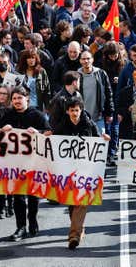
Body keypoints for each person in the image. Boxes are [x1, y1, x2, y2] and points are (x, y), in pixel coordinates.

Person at [54, 98, 110, 249]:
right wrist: (46, 136)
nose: (74, 113)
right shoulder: (62, 125)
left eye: (77, 110)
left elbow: (98, 140)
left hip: (86, 170)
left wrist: (103, 139)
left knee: (81, 202)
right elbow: (53, 141)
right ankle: (79, 228)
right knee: (72, 203)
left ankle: (74, 236)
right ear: (67, 111)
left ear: (81, 110)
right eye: (71, 110)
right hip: (68, 171)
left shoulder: (89, 124)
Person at [0, 86, 52, 241]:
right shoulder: (8, 115)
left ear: (26, 98)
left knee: (33, 195)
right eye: (14, 98)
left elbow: (49, 132)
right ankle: (20, 227)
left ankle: (33, 220)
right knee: (18, 197)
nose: (16, 101)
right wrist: (3, 130)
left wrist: (38, 133)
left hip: (34, 162)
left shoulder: (37, 114)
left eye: (19, 98)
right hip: (15, 164)